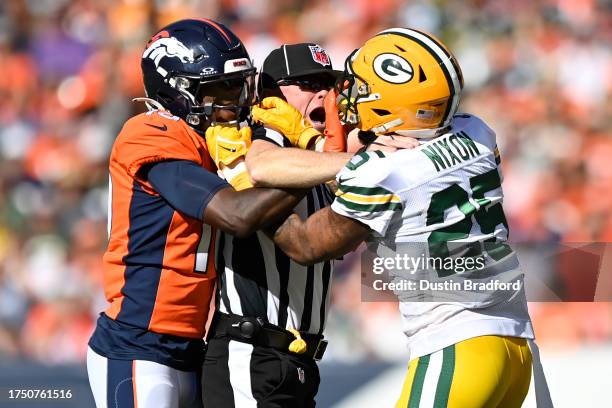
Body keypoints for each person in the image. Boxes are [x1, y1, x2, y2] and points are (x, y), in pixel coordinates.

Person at [257, 28, 552, 407]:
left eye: (361, 88)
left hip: (457, 348)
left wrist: (245, 182)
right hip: (515, 349)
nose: (348, 95)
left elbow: (308, 244)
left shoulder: (382, 171)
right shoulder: (477, 132)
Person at [86, 19, 306, 408]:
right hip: (138, 344)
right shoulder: (150, 132)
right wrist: (306, 162)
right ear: (176, 91)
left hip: (190, 346)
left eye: (238, 86)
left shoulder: (211, 140)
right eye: (219, 88)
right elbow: (237, 216)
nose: (233, 99)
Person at [201, 43, 354, 408]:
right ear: (271, 92)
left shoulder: (314, 157)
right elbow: (262, 168)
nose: (322, 92)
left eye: (326, 83)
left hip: (296, 360)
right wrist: (346, 159)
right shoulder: (257, 135)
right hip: (251, 352)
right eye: (305, 82)